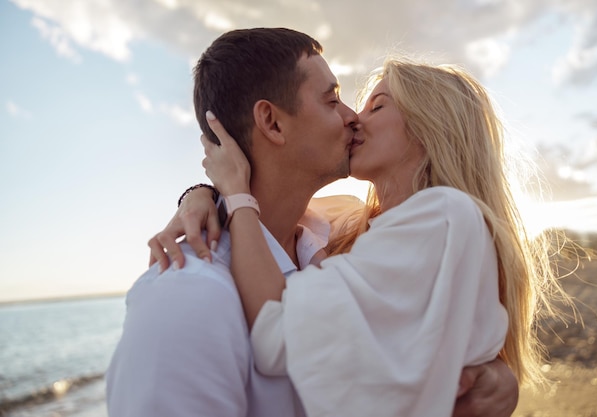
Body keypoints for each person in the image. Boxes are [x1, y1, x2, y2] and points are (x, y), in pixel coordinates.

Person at [108, 28, 518, 417]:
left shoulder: (344, 244)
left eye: (375, 106)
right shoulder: (187, 298)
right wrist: (206, 193)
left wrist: (498, 378)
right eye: (332, 100)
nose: (353, 117)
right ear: (271, 123)